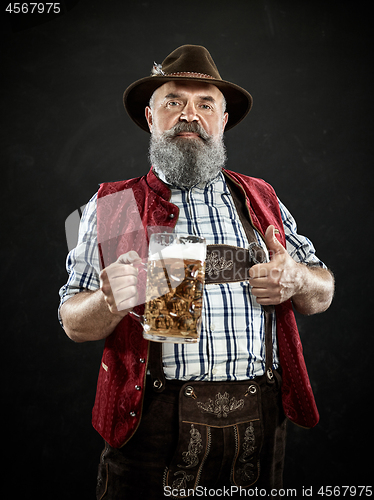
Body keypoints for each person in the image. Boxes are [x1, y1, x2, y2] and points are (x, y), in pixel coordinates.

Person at [59, 45, 334, 499]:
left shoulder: (261, 198)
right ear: (151, 118)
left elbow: (321, 290)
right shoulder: (113, 206)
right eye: (174, 102)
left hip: (259, 422)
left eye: (205, 104)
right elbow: (72, 321)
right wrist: (107, 302)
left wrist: (299, 279)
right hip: (148, 428)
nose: (190, 115)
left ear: (223, 121)